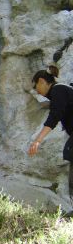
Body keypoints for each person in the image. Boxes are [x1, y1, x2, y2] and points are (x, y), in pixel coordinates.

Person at [28, 65, 73, 214]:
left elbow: (54, 117)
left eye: (36, 87)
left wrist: (38, 140)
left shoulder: (58, 90)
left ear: (42, 81)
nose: (37, 92)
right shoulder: (62, 90)